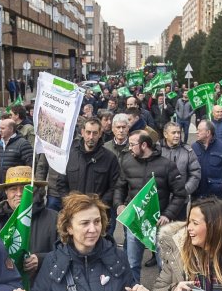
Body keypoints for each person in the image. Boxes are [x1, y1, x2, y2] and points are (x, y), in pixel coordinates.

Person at [19, 192, 149, 291]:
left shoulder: (119, 257)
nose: (93, 229)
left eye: (97, 221)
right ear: (69, 227)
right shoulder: (52, 261)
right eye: (85, 223)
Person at [114, 130, 188, 282]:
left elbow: (180, 194)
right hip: (135, 222)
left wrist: (168, 214)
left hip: (159, 225)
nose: (129, 148)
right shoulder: (127, 163)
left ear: (144, 145)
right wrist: (119, 204)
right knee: (132, 263)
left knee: (164, 265)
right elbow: (120, 187)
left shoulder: (167, 165)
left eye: (133, 144)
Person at [0, 166, 57, 275]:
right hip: (9, 289)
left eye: (24, 188)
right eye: (13, 189)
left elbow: (67, 252)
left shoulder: (54, 219)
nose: (19, 194)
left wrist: (42, 259)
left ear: (34, 190)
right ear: (6, 192)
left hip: (45, 287)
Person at [53, 118, 123, 220]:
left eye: (95, 133)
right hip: (73, 212)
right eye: (88, 132)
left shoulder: (110, 158)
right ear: (82, 132)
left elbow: (114, 186)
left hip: (98, 214)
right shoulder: (70, 155)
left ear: (100, 134)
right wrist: (70, 203)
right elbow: (61, 183)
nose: (91, 137)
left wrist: (99, 205)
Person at [192, 120, 222, 201]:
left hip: (215, 195)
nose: (196, 132)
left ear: (208, 132)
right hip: (197, 194)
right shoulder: (194, 147)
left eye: (199, 130)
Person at [159, 121, 202, 202]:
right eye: (173, 133)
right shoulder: (157, 150)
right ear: (165, 134)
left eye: (178, 133)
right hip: (160, 199)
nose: (177, 135)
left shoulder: (188, 151)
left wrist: (185, 191)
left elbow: (195, 174)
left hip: (181, 200)